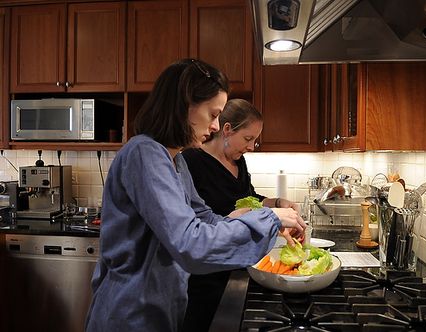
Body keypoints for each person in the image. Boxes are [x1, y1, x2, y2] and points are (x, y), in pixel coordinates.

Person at [84, 59, 306, 332]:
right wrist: (269, 218)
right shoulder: (144, 153)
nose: (215, 126)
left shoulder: (176, 162)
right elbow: (189, 243)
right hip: (131, 313)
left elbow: (204, 218)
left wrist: (260, 216)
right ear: (184, 105)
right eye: (213, 114)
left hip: (163, 308)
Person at [181, 98, 300, 332]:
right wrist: (263, 216)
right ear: (226, 130)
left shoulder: (239, 161)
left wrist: (277, 202)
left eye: (255, 140)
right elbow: (194, 222)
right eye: (248, 138)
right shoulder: (191, 161)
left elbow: (250, 199)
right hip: (206, 275)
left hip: (239, 265)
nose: (252, 146)